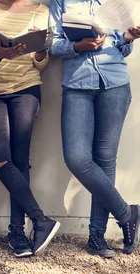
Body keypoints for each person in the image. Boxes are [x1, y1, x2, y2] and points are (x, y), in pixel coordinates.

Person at [50, 0, 140, 258]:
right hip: (77, 85)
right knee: (76, 158)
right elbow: (53, 44)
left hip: (115, 84)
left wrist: (128, 38)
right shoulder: (60, 2)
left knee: (105, 160)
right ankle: (127, 213)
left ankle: (96, 237)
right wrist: (78, 46)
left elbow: (121, 50)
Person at [0, 0, 62, 257]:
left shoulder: (41, 11)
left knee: (20, 160)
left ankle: (17, 232)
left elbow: (41, 65)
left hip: (26, 89)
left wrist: (39, 52)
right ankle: (40, 219)